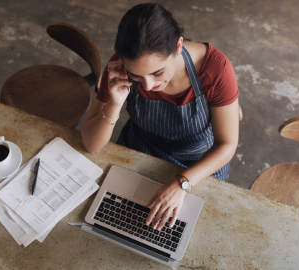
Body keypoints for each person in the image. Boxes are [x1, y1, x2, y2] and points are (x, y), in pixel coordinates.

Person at [81, 3, 239, 231]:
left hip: (198, 163)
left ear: (178, 46)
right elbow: (91, 144)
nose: (149, 85)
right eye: (136, 75)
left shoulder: (216, 69)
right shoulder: (119, 67)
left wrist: (182, 183)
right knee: (112, 224)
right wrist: (115, 103)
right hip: (139, 149)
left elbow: (227, 144)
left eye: (158, 72)